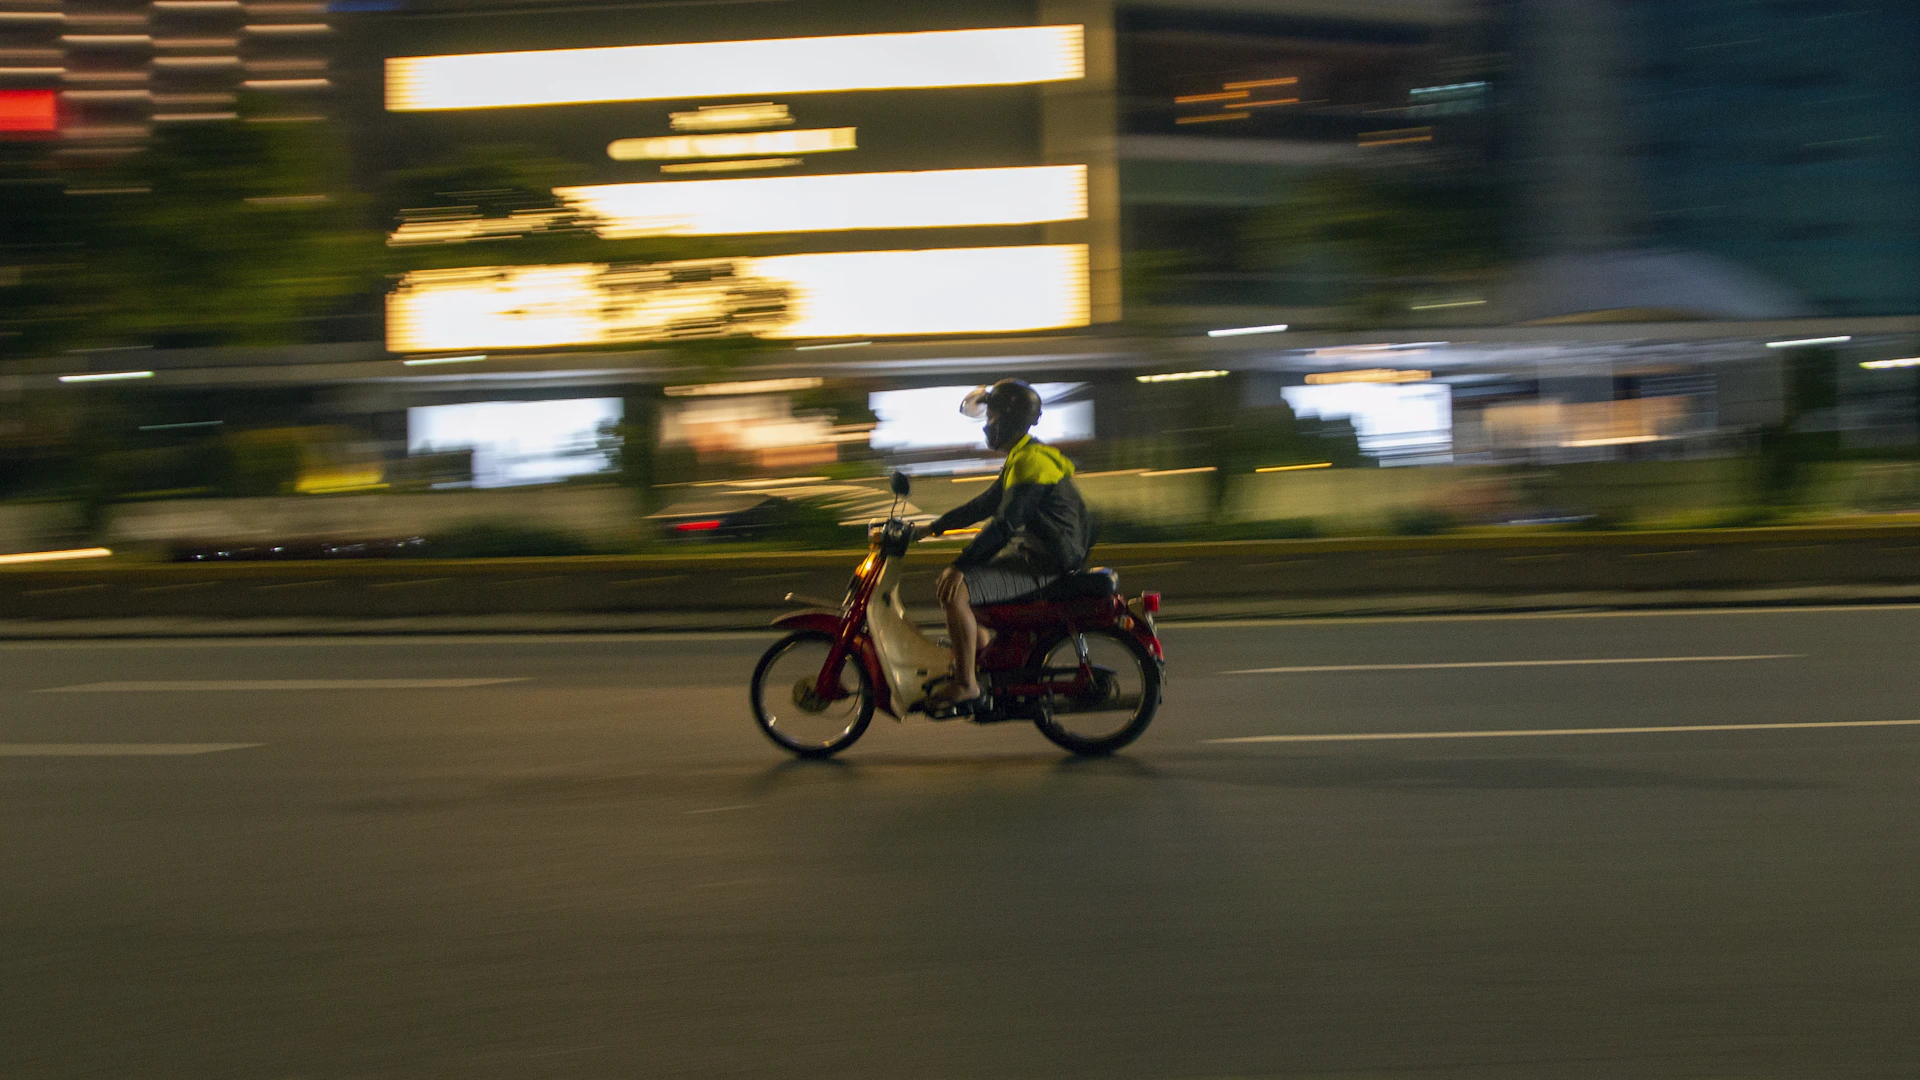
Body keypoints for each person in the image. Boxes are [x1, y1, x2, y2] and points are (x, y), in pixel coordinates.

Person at [916, 380, 1092, 712]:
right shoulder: (1025, 456)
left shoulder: (1031, 463)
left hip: (1046, 564)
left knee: (956, 589)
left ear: (1008, 419)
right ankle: (977, 664)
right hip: (1040, 555)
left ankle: (967, 684)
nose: (987, 424)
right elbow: (984, 505)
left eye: (992, 415)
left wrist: (961, 565)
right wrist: (930, 528)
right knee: (963, 583)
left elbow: (1004, 526)